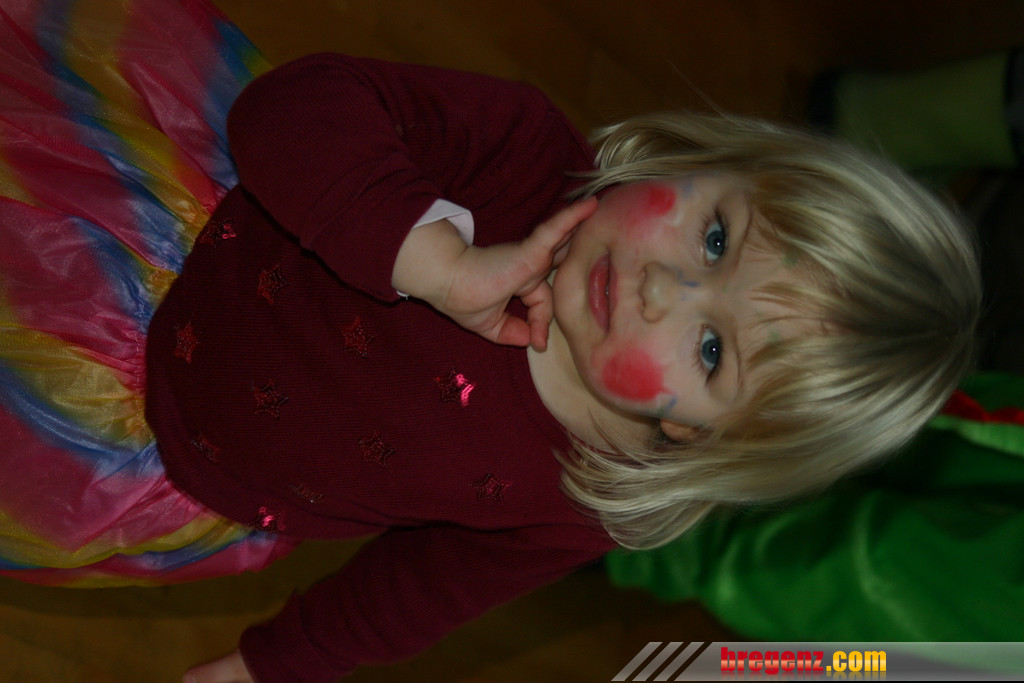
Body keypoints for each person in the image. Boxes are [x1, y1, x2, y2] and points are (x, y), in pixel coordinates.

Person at [0, 0, 980, 680]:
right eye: (716, 237)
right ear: (714, 163)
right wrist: (427, 257)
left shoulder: (583, 499)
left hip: (129, 459)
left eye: (712, 348)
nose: (662, 285)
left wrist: (271, 663)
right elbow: (294, 104)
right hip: (128, 221)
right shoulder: (522, 154)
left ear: (692, 436)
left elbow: (413, 594)